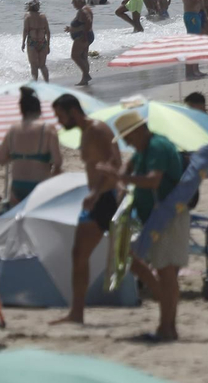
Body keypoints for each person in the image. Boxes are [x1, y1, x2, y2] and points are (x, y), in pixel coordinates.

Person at [116, 111, 190, 343]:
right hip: (153, 218)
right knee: (133, 260)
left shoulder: (157, 146)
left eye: (127, 137)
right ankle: (165, 320)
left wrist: (124, 180)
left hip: (168, 216)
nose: (126, 143)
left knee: (167, 273)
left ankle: (167, 327)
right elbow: (127, 170)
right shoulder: (143, 149)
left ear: (138, 131)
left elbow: (153, 180)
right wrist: (122, 174)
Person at [48, 94, 121, 326]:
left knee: (125, 257)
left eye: (60, 116)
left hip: (105, 198)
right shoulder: (86, 132)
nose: (59, 122)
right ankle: (76, 313)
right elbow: (96, 165)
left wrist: (96, 192)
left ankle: (77, 313)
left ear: (73, 111)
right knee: (80, 254)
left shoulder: (98, 130)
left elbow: (115, 162)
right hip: (98, 199)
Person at [0, 86, 62, 203]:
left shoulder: (13, 129)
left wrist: (18, 156)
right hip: (39, 182)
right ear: (39, 110)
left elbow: (0, 159)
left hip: (17, 185)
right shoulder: (47, 129)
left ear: (21, 110)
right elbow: (58, 161)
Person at [67, 0, 94, 87]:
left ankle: (86, 75)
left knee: (75, 56)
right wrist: (71, 29)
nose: (72, 4)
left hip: (83, 36)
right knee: (83, 57)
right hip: (86, 35)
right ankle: (84, 78)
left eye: (73, 1)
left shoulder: (83, 10)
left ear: (78, 1)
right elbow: (84, 24)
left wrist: (84, 35)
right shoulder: (85, 9)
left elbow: (88, 22)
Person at [22, 0, 51, 81]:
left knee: (34, 66)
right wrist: (48, 44)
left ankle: (35, 85)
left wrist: (23, 42)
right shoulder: (43, 16)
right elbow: (48, 32)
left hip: (32, 42)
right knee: (42, 65)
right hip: (43, 42)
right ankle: (47, 84)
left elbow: (25, 30)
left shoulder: (27, 16)